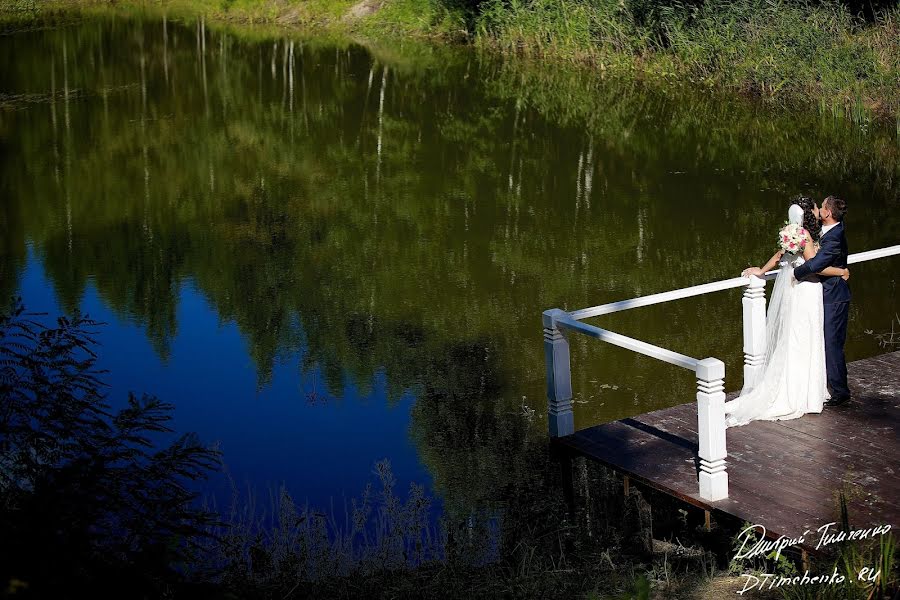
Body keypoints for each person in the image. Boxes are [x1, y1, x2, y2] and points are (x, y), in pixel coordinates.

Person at [725, 198, 849, 427]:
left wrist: (760, 270)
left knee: (793, 337)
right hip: (808, 291)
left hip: (796, 293)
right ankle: (807, 392)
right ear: (808, 214)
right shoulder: (807, 237)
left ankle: (793, 384)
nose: (817, 210)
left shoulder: (791, 233)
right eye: (814, 208)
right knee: (807, 337)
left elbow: (778, 256)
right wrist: (840, 271)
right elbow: (814, 266)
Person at [793, 196, 851, 406]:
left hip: (834, 297)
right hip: (821, 294)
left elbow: (815, 264)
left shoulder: (835, 236)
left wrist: (793, 273)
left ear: (827, 214)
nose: (817, 210)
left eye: (821, 207)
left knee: (832, 343)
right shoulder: (822, 230)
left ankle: (840, 392)